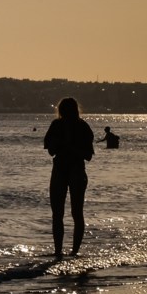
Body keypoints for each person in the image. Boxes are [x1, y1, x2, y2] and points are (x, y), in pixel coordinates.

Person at [43, 97, 94, 259]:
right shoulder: (62, 125)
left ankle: (64, 252)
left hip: (70, 169)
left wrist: (68, 145)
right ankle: (70, 252)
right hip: (68, 169)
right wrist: (62, 143)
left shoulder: (79, 126)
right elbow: (51, 150)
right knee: (72, 213)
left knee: (65, 213)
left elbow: (87, 155)